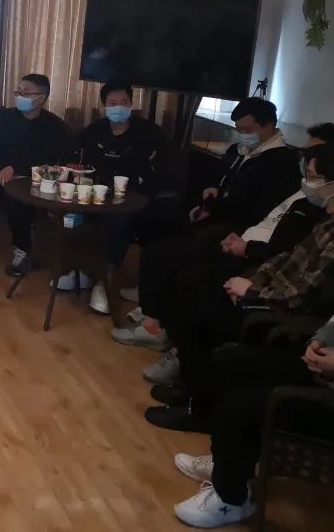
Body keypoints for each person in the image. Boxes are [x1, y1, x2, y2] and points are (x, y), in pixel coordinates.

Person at [143, 143, 334, 433]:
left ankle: (199, 409)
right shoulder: (326, 222)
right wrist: (253, 282)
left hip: (282, 313)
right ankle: (191, 391)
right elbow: (286, 258)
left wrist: (253, 293)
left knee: (199, 316)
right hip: (266, 291)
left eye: (312, 177)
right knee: (190, 298)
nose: (306, 183)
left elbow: (304, 296)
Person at [126, 123, 331, 364]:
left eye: (315, 157)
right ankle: (156, 321)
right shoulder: (303, 191)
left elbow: (288, 257)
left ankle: (174, 344)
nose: (307, 161)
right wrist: (239, 236)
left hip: (259, 260)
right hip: (249, 243)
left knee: (192, 278)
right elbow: (265, 222)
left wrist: (249, 260)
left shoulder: (317, 205)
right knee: (163, 250)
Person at [168, 332, 334, 527]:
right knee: (225, 362)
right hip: (321, 370)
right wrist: (319, 340)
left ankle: (231, 500)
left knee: (238, 406)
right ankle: (225, 464)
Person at [0, 73, 72, 276]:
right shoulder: (4, 117)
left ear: (41, 98)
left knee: (18, 202)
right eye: (18, 91)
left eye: (26, 93)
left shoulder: (54, 126)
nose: (19, 96)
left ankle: (22, 250)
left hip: (33, 178)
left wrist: (17, 169)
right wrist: (2, 166)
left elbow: (49, 157)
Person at [73, 82, 166, 314]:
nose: (119, 108)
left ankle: (106, 281)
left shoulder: (148, 133)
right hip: (93, 194)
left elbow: (160, 169)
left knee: (118, 221)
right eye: (113, 103)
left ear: (131, 104)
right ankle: (78, 271)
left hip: (131, 199)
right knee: (68, 213)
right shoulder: (92, 133)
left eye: (124, 103)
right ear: (104, 106)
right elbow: (78, 163)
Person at [190, 97, 300, 235]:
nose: (242, 134)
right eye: (238, 129)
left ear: (268, 124)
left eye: (247, 130)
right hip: (219, 210)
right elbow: (221, 173)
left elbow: (252, 203)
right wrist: (213, 187)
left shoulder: (282, 160)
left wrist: (212, 208)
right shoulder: (237, 149)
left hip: (244, 226)